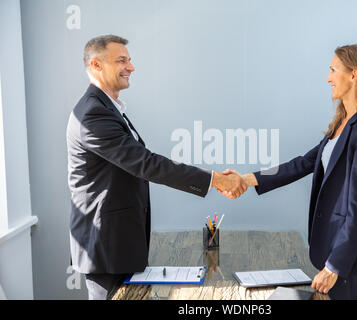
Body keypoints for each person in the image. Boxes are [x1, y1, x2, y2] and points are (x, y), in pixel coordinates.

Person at [66, 35, 247, 300]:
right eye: (122, 60)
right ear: (96, 65)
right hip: (105, 249)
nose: (131, 67)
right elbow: (146, 163)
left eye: (129, 60)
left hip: (121, 243)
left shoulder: (108, 108)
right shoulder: (93, 113)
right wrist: (215, 179)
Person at [221, 44, 357, 300]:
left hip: (351, 261)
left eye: (333, 70)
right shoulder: (342, 123)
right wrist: (246, 180)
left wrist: (335, 265)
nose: (328, 78)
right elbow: (302, 163)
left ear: (354, 75)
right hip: (332, 251)